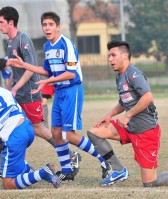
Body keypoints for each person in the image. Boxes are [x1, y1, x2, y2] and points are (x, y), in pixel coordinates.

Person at [8, 11, 111, 182]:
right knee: (56, 132)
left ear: (58, 27)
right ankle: (67, 170)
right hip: (59, 92)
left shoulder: (66, 44)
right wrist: (23, 64)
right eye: (44, 25)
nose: (47, 28)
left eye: (50, 25)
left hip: (72, 90)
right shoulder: (48, 47)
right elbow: (46, 70)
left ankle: (105, 161)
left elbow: (71, 74)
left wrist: (48, 81)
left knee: (68, 135)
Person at [86, 40, 168, 187]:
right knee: (94, 132)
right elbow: (123, 101)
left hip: (146, 132)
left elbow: (147, 97)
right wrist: (110, 115)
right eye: (109, 56)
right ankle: (119, 170)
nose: (110, 59)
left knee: (150, 183)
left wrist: (127, 115)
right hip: (128, 127)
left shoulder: (134, 73)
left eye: (113, 55)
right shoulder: (120, 76)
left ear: (125, 55)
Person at [0, 6, 81, 177]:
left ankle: (71, 155)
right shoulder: (9, 41)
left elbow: (30, 69)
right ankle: (12, 164)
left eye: (1, 22)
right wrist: (9, 89)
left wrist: (15, 88)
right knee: (11, 126)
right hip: (18, 94)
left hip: (29, 93)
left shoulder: (23, 39)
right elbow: (14, 69)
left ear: (11, 22)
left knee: (38, 128)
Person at [0, 87, 60, 189]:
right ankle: (29, 172)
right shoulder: (3, 91)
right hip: (26, 127)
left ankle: (43, 172)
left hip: (14, 135)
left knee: (8, 184)